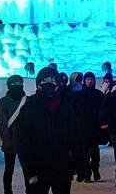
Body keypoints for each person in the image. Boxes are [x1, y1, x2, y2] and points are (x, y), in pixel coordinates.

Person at [15, 66, 86, 194]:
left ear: (58, 84)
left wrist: (80, 164)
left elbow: (75, 137)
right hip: (38, 169)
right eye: (45, 81)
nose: (49, 84)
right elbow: (22, 141)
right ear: (38, 84)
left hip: (62, 168)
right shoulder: (29, 106)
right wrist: (29, 171)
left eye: (53, 81)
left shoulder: (65, 106)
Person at [0, 75, 26, 194]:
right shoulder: (3, 102)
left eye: (19, 83)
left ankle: (30, 190)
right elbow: (2, 124)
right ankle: (7, 191)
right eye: (14, 84)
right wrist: (8, 142)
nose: (17, 85)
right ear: (9, 85)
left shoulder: (27, 100)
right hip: (11, 142)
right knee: (9, 169)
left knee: (28, 170)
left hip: (25, 142)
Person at [73, 71, 105, 183]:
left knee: (95, 153)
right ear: (84, 80)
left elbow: (103, 110)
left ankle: (95, 170)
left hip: (95, 128)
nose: (89, 81)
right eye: (87, 79)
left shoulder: (98, 94)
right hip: (83, 128)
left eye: (91, 79)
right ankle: (87, 174)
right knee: (85, 153)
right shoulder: (79, 95)